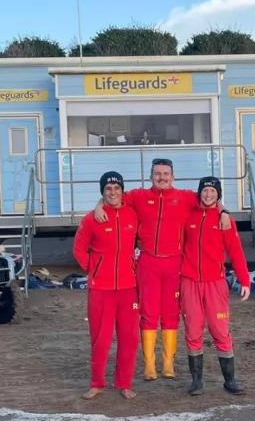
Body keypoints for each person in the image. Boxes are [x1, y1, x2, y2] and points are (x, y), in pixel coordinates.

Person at [95, 159, 230, 381]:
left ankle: (168, 364)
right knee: (148, 313)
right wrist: (99, 205)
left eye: (166, 174)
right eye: (157, 174)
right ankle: (149, 365)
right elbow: (114, 197)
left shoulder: (185, 197)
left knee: (170, 313)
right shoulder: (139, 196)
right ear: (151, 177)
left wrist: (225, 211)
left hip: (174, 263)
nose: (162, 177)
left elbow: (210, 198)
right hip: (148, 262)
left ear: (173, 177)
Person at [180, 176, 250, 396]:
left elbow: (236, 251)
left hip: (215, 283)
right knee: (193, 330)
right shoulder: (187, 215)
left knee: (220, 330)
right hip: (189, 281)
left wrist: (244, 279)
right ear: (199, 192)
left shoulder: (224, 220)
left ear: (218, 194)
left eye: (212, 191)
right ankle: (197, 381)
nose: (208, 194)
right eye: (204, 190)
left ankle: (229, 380)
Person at [73, 171, 140, 400]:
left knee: (129, 339)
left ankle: (124, 384)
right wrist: (93, 268)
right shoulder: (92, 218)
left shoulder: (133, 214)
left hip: (128, 288)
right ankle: (97, 383)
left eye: (116, 188)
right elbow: (79, 249)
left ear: (122, 190)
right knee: (101, 339)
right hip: (100, 289)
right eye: (108, 189)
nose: (113, 192)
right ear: (102, 192)